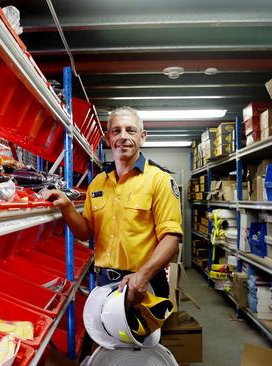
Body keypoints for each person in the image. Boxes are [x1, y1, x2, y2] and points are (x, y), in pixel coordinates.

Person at [43, 106, 183, 306]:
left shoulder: (159, 180)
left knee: (143, 337)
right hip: (105, 282)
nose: (123, 136)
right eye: (116, 131)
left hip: (145, 283)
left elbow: (171, 237)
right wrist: (67, 207)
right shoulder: (98, 183)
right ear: (108, 139)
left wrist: (143, 275)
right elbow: (86, 232)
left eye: (130, 130)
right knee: (106, 337)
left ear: (142, 137)